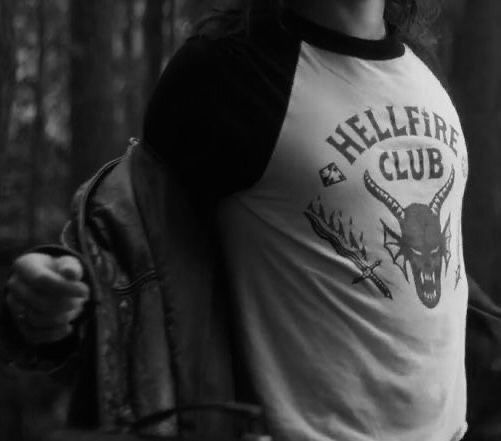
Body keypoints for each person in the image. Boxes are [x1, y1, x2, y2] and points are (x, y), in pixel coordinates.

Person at [2, 1, 471, 440]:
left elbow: (420, 270)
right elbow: (133, 232)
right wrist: (59, 288)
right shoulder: (230, 69)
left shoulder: (420, 68)